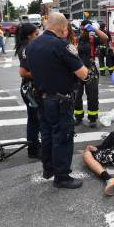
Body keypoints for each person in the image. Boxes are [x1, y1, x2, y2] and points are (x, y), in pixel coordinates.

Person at [27, 12, 88, 189]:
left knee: (46, 136)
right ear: (62, 28)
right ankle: (62, 177)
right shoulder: (62, 45)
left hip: (41, 99)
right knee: (62, 137)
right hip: (60, 100)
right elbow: (83, 74)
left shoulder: (32, 45)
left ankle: (49, 169)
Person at [74, 20, 108, 128]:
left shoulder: (93, 39)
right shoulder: (77, 39)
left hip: (91, 71)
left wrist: (94, 29)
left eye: (85, 29)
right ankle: (78, 117)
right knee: (76, 96)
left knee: (92, 96)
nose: (83, 31)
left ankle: (92, 118)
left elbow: (106, 38)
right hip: (78, 71)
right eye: (82, 29)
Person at [15, 23, 40, 158]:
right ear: (29, 35)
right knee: (34, 120)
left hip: (30, 88)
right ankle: (33, 149)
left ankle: (35, 146)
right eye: (36, 34)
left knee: (34, 119)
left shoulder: (27, 47)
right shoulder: (27, 49)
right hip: (31, 89)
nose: (39, 36)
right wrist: (42, 73)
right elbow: (23, 72)